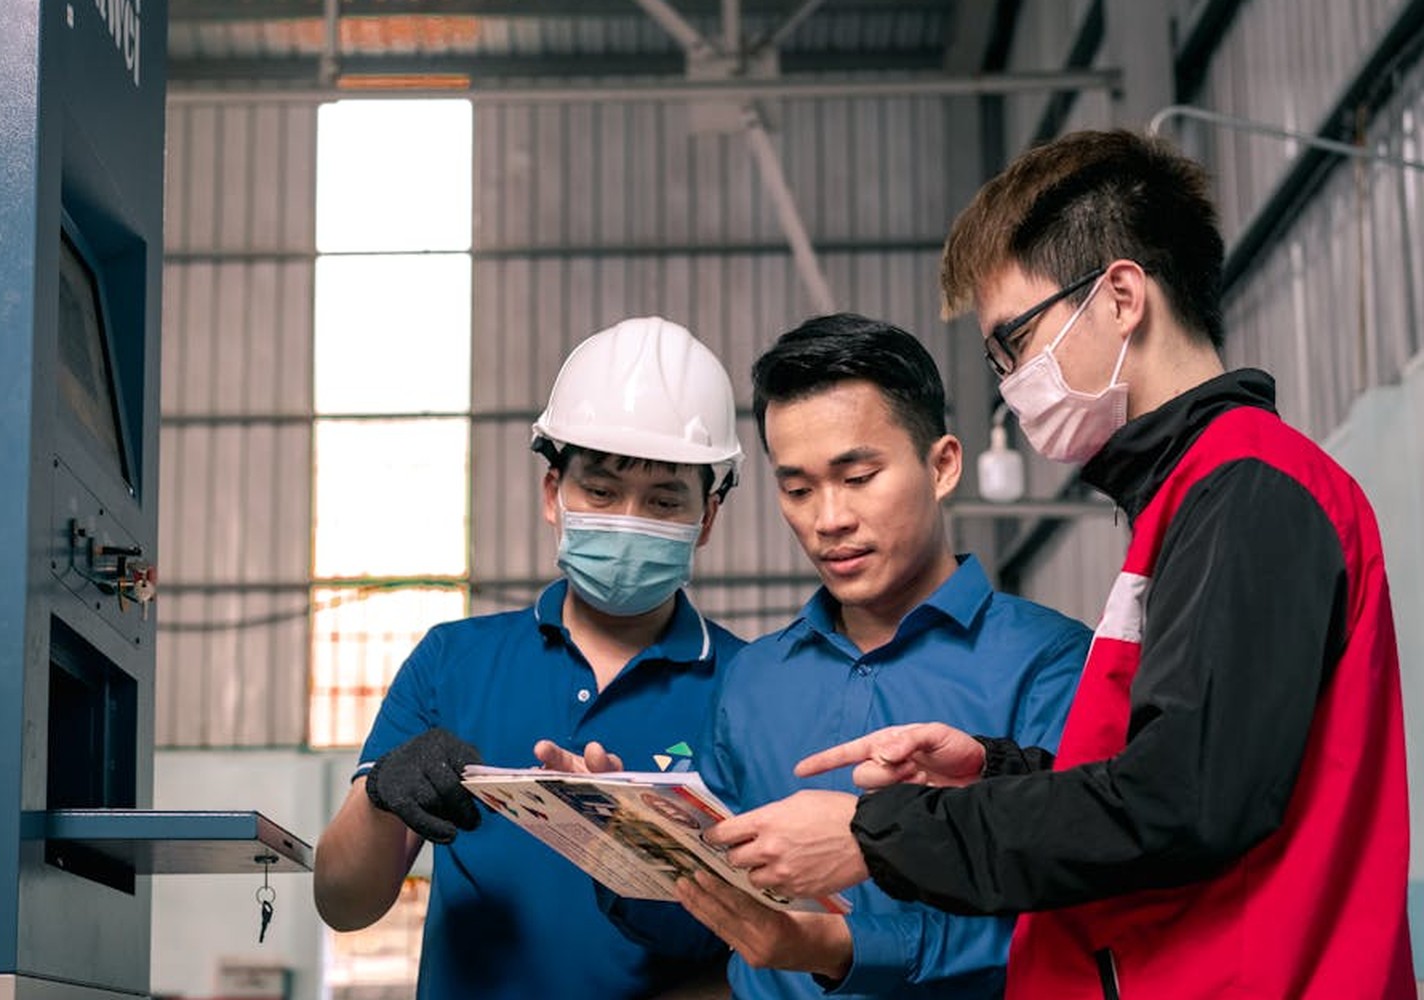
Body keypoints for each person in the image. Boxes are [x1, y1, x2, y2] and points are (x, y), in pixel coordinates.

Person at [711, 130, 1414, 999]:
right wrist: (996, 770)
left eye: (1017, 341)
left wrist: (876, 834)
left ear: (1121, 296)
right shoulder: (1191, 496)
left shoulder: (1247, 491)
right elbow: (1185, 772)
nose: (1012, 381)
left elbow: (1183, 804)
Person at [551, 315, 1091, 999]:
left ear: (942, 464)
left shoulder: (1051, 667)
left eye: (858, 476)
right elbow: (716, 923)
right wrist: (629, 848)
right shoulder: (755, 679)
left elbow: (1075, 917)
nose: (827, 518)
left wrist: (841, 948)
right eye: (797, 489)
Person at [313, 316, 746, 1000]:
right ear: (554, 493)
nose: (628, 517)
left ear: (707, 519)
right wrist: (381, 797)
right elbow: (344, 902)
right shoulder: (453, 662)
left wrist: (644, 857)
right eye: (601, 491)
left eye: (664, 500)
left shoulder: (753, 687)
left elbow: (764, 953)